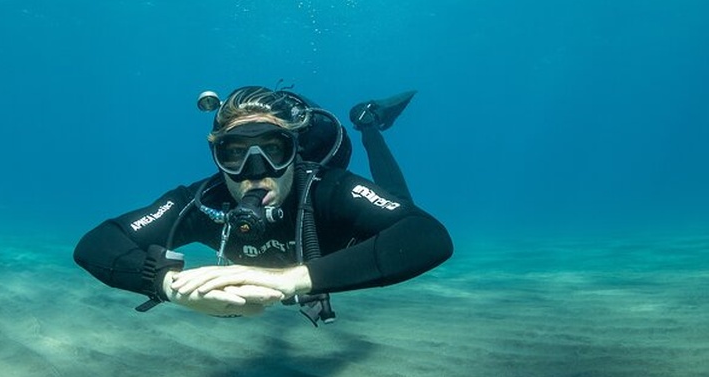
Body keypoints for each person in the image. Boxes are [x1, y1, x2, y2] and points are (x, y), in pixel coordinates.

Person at [73, 85, 452, 325]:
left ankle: (368, 121)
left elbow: (426, 236)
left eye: (274, 150)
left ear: (295, 151)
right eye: (234, 154)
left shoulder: (325, 188)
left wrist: (292, 279)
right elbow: (97, 243)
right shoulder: (203, 203)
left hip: (333, 244)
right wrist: (167, 285)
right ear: (216, 157)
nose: (255, 172)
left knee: (402, 208)